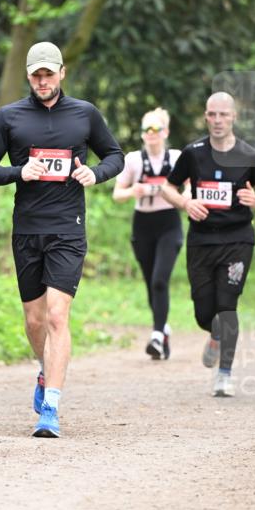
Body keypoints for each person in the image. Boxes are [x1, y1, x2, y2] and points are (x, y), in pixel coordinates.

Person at [0, 42, 124, 438]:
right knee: (35, 319)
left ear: (61, 73)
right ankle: (45, 371)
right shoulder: (10, 118)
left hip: (68, 227)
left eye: (49, 74)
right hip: (26, 228)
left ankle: (51, 408)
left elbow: (115, 155)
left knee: (58, 315)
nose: (43, 81)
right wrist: (19, 172)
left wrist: (96, 173)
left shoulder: (85, 113)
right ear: (28, 76)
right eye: (36, 75)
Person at [161, 92, 255, 397]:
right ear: (206, 116)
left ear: (233, 117)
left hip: (237, 240)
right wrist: (186, 203)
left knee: (227, 306)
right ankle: (214, 336)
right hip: (201, 240)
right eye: (212, 114)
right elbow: (167, 188)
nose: (217, 120)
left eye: (223, 115)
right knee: (204, 312)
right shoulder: (193, 152)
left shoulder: (249, 155)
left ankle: (224, 374)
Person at [112, 107, 183, 360]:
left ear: (165, 132)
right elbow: (117, 193)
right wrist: (134, 191)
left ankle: (155, 334)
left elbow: (191, 191)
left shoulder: (176, 158)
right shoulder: (133, 160)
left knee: (159, 281)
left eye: (156, 129)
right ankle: (162, 334)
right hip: (142, 225)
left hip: (169, 224)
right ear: (143, 134)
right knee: (150, 284)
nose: (151, 134)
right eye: (147, 130)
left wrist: (177, 196)